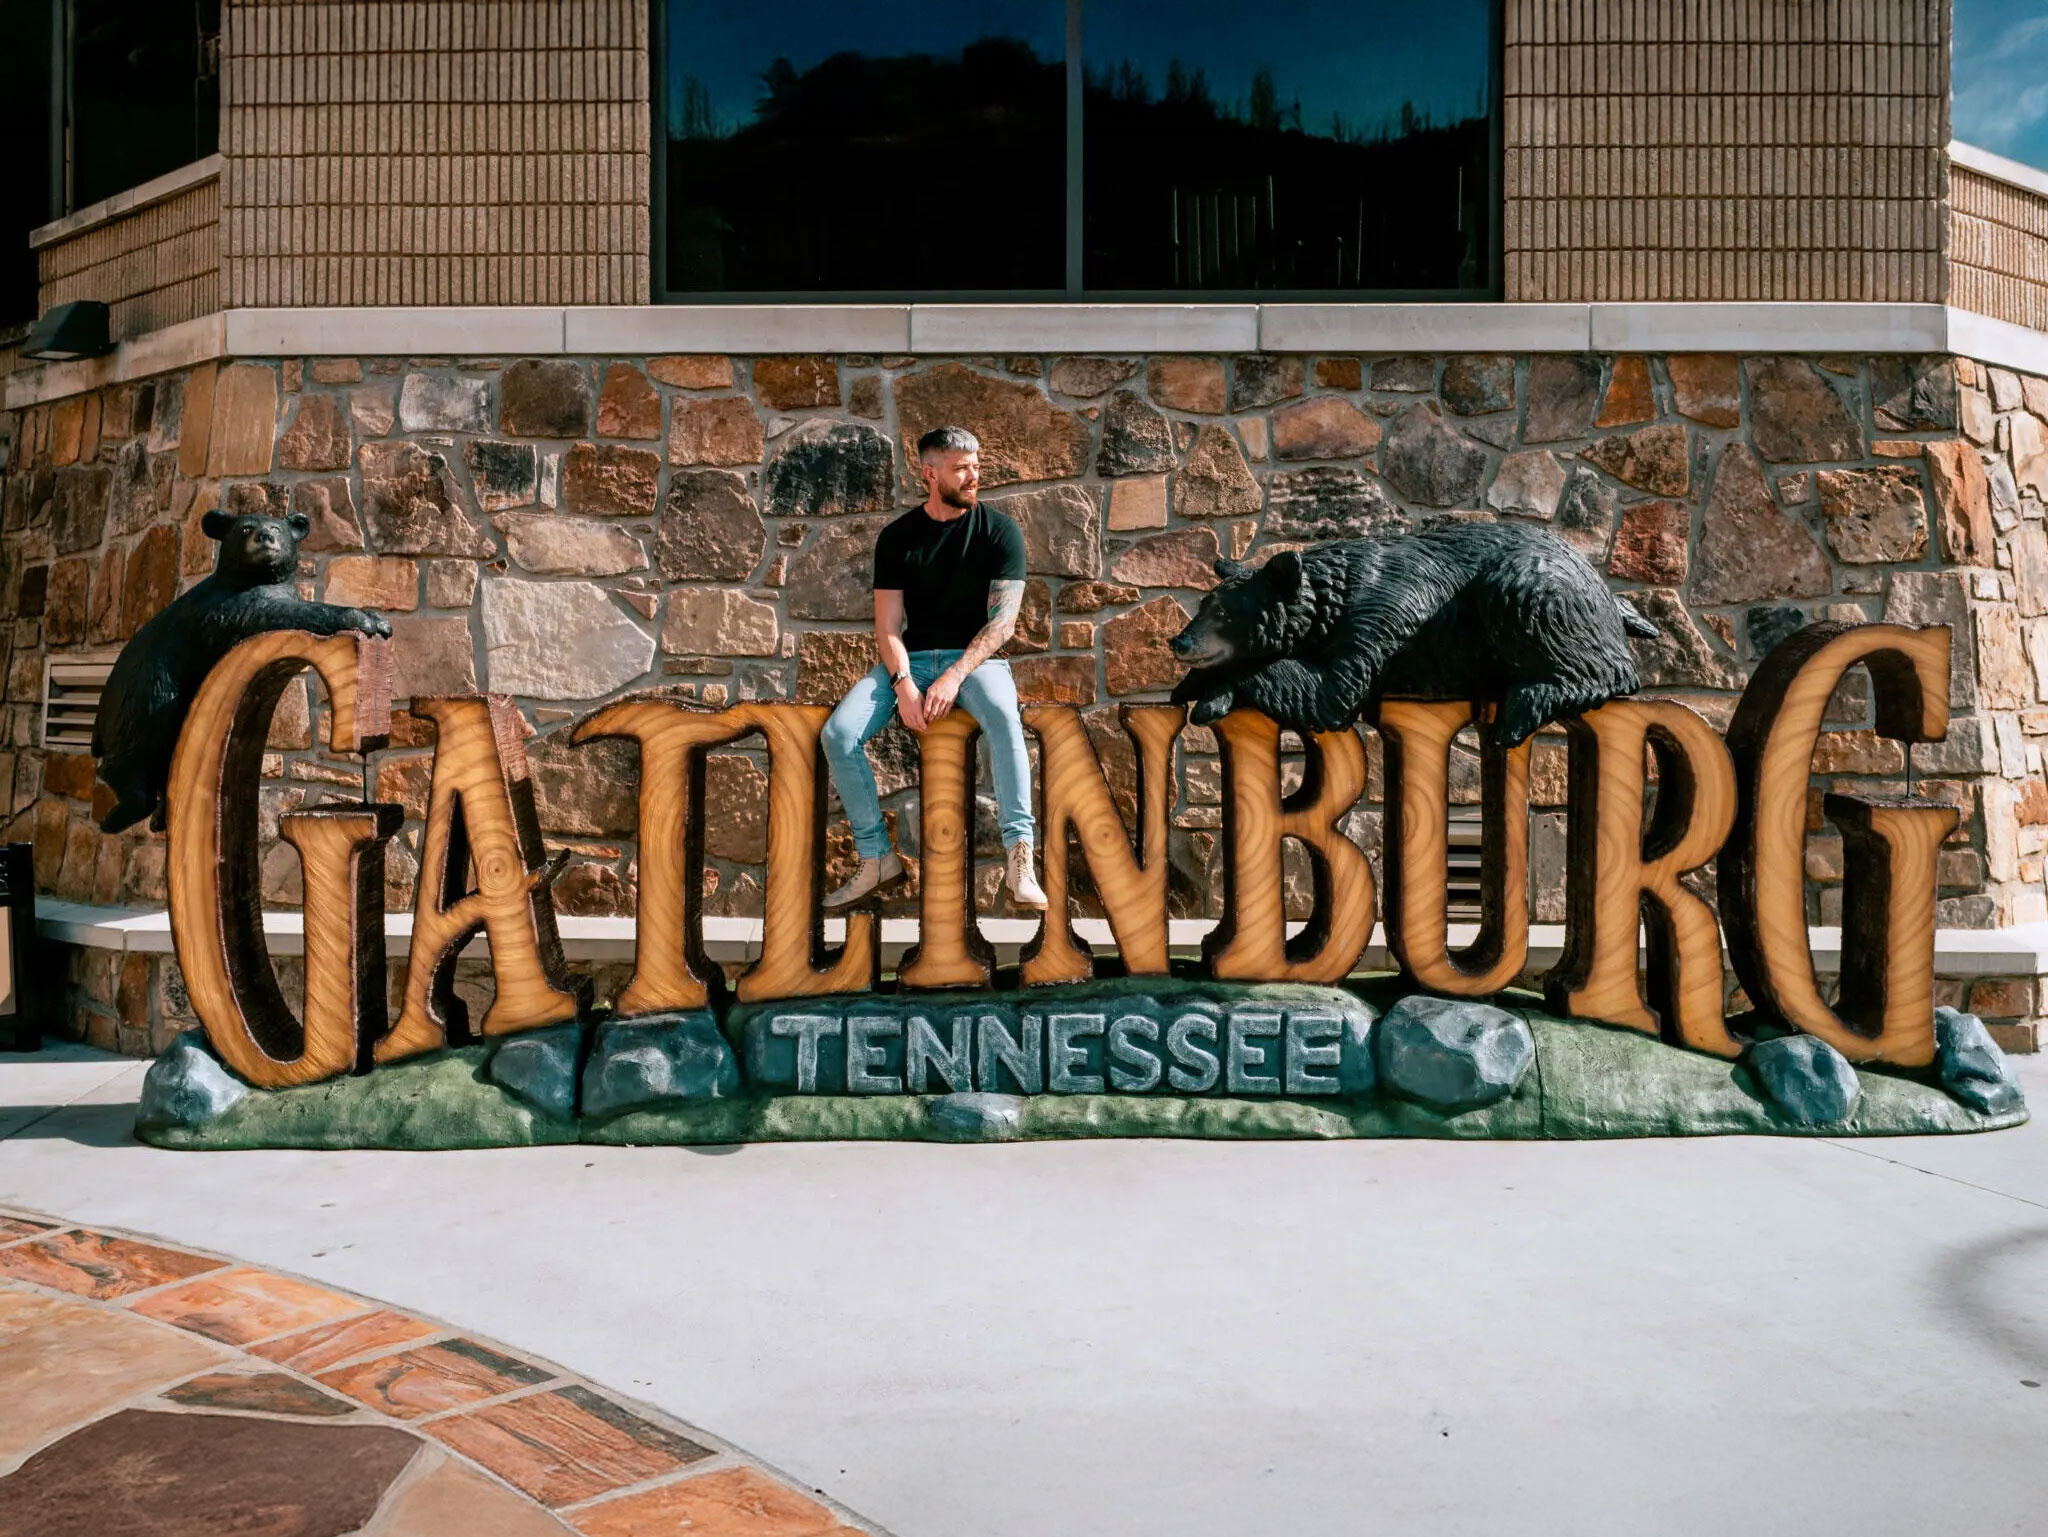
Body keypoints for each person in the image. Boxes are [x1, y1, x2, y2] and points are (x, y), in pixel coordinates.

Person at [820, 426, 1048, 911]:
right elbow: (887, 628)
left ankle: (1020, 857)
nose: (974, 476)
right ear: (930, 473)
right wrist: (903, 683)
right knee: (838, 734)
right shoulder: (898, 538)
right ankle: (877, 857)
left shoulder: (999, 531)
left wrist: (955, 675)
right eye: (961, 468)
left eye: (976, 465)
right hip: (913, 661)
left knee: (1006, 720)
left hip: (977, 662)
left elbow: (1002, 625)